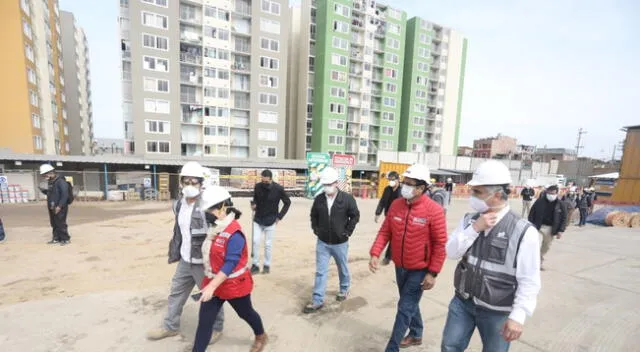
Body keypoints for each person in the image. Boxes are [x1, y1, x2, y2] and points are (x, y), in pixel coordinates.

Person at [441, 160, 541, 352]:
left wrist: (518, 316)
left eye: (477, 192)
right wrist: (475, 228)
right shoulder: (469, 220)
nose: (472, 197)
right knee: (449, 346)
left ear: (496, 194)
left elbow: (529, 279)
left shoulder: (523, 231)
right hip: (463, 302)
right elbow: (451, 252)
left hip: (498, 312)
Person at [369, 164, 447, 352]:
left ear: (421, 188)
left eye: (410, 184)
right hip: (400, 265)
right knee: (408, 301)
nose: (405, 186)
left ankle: (392, 347)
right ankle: (416, 333)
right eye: (405, 182)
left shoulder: (434, 210)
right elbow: (385, 231)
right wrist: (375, 253)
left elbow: (440, 244)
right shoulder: (396, 205)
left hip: (420, 269)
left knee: (404, 308)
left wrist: (433, 273)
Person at [147, 162, 225, 344]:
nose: (190, 185)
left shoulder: (209, 205)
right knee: (176, 292)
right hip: (185, 259)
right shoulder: (179, 205)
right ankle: (170, 326)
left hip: (203, 262)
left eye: (194, 181)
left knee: (210, 296)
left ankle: (216, 328)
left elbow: (224, 228)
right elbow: (179, 231)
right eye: (186, 181)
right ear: (181, 182)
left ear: (201, 183)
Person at [192, 186, 267, 352]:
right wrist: (211, 284)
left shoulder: (235, 233)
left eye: (210, 209)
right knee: (205, 321)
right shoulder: (215, 228)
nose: (208, 213)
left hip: (234, 285)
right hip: (213, 282)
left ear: (223, 206)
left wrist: (211, 286)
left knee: (246, 313)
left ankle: (261, 335)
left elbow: (230, 263)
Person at [304, 167, 360, 313]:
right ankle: (317, 300)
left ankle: (344, 288)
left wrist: (347, 232)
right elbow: (313, 215)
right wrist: (316, 229)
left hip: (340, 243)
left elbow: (355, 216)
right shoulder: (319, 199)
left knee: (342, 267)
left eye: (329, 184)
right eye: (325, 185)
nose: (327, 187)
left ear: (336, 183)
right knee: (321, 271)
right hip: (322, 242)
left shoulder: (347, 199)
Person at [250, 169, 291, 274]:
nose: (264, 184)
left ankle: (267, 265)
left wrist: (279, 216)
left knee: (268, 244)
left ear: (271, 179)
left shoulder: (278, 189)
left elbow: (287, 202)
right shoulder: (258, 186)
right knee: (255, 241)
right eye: (263, 181)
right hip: (258, 219)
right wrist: (253, 204)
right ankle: (255, 265)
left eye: (266, 182)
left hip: (271, 220)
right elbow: (255, 198)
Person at [527, 185, 568, 270]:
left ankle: (539, 260)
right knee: (535, 244)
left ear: (557, 193)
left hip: (551, 228)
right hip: (538, 226)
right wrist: (530, 225)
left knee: (546, 246)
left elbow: (564, 218)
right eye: (548, 193)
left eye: (552, 193)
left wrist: (561, 230)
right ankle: (533, 262)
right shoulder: (539, 201)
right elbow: (532, 213)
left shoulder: (560, 204)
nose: (550, 195)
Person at [39, 164, 71, 245]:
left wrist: (59, 206)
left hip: (60, 207)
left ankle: (65, 239)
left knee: (61, 223)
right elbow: (52, 193)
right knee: (54, 223)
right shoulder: (51, 181)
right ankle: (56, 238)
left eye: (44, 174)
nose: (44, 176)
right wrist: (44, 191)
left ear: (50, 172)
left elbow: (65, 195)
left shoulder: (61, 181)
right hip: (52, 206)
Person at [375, 171, 402, 265]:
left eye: (392, 180)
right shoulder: (387, 189)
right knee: (386, 235)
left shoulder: (402, 191)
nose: (391, 181)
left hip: (399, 218)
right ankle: (384, 255)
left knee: (393, 237)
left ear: (398, 180)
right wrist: (377, 213)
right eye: (389, 180)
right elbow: (382, 201)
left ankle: (388, 257)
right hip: (388, 216)